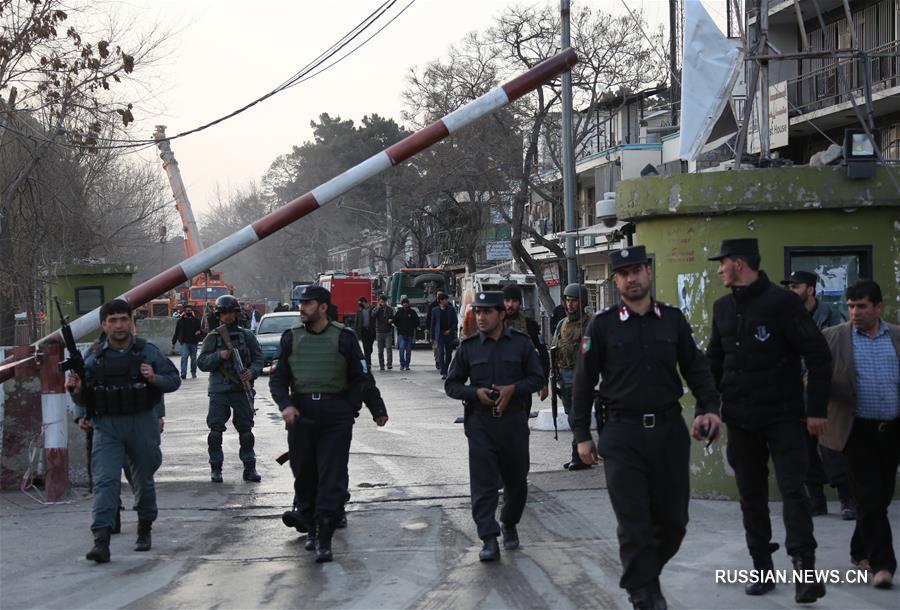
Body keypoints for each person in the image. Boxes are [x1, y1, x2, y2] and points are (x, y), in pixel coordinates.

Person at [571, 246, 721, 610]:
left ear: (648, 273)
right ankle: (645, 595)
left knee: (674, 522)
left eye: (636, 270)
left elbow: (696, 367)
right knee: (634, 519)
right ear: (616, 280)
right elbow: (583, 380)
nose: (631, 278)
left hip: (669, 431)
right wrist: (581, 434)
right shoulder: (602, 325)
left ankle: (642, 577)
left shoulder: (672, 319)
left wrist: (709, 408)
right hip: (622, 433)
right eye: (623, 273)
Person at [706, 238, 832, 603]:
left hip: (784, 417)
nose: (719, 269)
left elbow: (819, 357)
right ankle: (761, 566)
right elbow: (714, 362)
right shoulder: (722, 308)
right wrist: (709, 409)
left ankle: (805, 573)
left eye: (723, 262)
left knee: (794, 492)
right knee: (751, 496)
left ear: (740, 264)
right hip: (741, 419)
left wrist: (816, 410)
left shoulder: (783, 303)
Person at [269, 286, 387, 562]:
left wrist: (363, 408)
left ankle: (324, 536)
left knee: (331, 475)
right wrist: (285, 405)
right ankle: (308, 523)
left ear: (322, 307)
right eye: (301, 303)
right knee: (305, 473)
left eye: (307, 303)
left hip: (335, 415)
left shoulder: (344, 337)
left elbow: (361, 378)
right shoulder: (291, 338)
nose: (302, 308)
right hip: (301, 414)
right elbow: (278, 378)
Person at [66, 299, 180, 563]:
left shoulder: (147, 351)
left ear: (131, 321)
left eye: (123, 319)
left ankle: (144, 526)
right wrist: (78, 402)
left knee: (143, 480)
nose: (119, 325)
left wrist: (153, 378)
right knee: (105, 481)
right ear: (104, 325)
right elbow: (84, 394)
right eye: (112, 320)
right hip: (107, 426)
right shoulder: (94, 356)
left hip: (141, 423)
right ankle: (101, 539)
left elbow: (173, 380)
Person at [445, 290, 544, 562]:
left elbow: (537, 378)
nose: (481, 317)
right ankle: (488, 537)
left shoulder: (521, 344)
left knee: (517, 481)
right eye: (477, 312)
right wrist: (474, 394)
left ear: (501, 314)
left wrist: (514, 389)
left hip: (513, 422)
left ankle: (509, 522)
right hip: (480, 424)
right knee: (483, 484)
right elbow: (451, 385)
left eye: (487, 312)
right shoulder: (468, 347)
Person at [820, 279, 899, 590]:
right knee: (868, 495)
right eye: (851, 306)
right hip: (856, 429)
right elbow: (813, 377)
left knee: (880, 496)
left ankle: (858, 549)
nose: (854, 312)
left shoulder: (895, 336)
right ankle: (883, 564)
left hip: (892, 429)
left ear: (878, 307)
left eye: (862, 306)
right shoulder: (833, 338)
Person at [781, 270, 854, 519]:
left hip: (825, 390)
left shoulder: (831, 315)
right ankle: (816, 500)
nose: (791, 290)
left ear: (810, 289)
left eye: (795, 286)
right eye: (789, 286)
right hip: (794, 391)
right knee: (805, 450)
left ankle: (847, 499)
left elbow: (839, 351)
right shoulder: (787, 317)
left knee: (832, 446)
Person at [197, 295, 264, 483]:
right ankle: (216, 468)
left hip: (241, 389)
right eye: (224, 313)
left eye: (231, 313)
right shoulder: (213, 337)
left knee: (246, 431)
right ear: (219, 315)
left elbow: (259, 358)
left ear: (236, 313)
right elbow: (201, 362)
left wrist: (253, 372)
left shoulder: (247, 336)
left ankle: (249, 468)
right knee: (215, 431)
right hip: (219, 390)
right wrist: (219, 355)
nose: (227, 316)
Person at [551, 283, 593, 471]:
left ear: (582, 302)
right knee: (570, 416)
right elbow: (554, 348)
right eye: (568, 301)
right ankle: (582, 453)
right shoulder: (562, 324)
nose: (570, 305)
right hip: (564, 376)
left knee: (577, 416)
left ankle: (578, 454)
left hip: (581, 376)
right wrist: (553, 374)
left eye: (574, 301)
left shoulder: (590, 324)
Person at [502, 284, 550, 400]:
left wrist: (544, 382)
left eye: (514, 301)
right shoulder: (494, 324)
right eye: (507, 300)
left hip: (522, 385)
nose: (510, 305)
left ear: (519, 303)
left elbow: (543, 353)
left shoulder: (530, 325)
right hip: (499, 384)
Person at [430, 292, 458, 379]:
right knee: (441, 352)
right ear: (441, 301)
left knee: (449, 354)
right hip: (440, 334)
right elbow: (433, 323)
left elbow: (455, 322)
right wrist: (432, 336)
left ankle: (446, 368)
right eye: (445, 300)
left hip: (449, 334)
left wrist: (450, 330)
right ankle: (444, 371)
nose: (447, 301)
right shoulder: (435, 310)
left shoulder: (451, 309)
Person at [171, 307, 203, 380]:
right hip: (184, 342)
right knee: (184, 357)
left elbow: (201, 330)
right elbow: (176, 332)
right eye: (188, 311)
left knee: (194, 359)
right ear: (185, 312)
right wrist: (173, 343)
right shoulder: (180, 321)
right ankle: (183, 373)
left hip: (193, 342)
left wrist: (199, 332)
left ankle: (193, 372)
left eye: (190, 311)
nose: (189, 312)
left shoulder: (196, 320)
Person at [393, 296, 419, 371]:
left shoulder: (412, 312)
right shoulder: (399, 312)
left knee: (408, 351)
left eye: (406, 303)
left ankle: (407, 365)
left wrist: (413, 327)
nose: (405, 304)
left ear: (408, 304)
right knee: (401, 349)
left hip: (410, 334)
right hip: (401, 334)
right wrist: (399, 327)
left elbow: (417, 321)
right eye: (403, 303)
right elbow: (395, 321)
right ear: (402, 304)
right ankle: (402, 364)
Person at [372, 294, 395, 371]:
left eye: (384, 302)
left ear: (386, 302)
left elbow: (393, 318)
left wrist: (391, 320)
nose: (383, 303)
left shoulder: (390, 309)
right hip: (379, 332)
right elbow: (373, 316)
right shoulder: (376, 309)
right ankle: (382, 365)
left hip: (388, 332)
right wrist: (378, 308)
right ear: (379, 302)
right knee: (380, 350)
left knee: (389, 348)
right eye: (381, 302)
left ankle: (389, 364)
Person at [353, 297, 375, 370]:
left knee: (370, 348)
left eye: (360, 303)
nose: (359, 304)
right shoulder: (359, 311)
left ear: (364, 302)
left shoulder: (372, 309)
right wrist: (355, 330)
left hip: (371, 331)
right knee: (366, 348)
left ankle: (368, 358)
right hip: (363, 331)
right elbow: (356, 321)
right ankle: (368, 363)